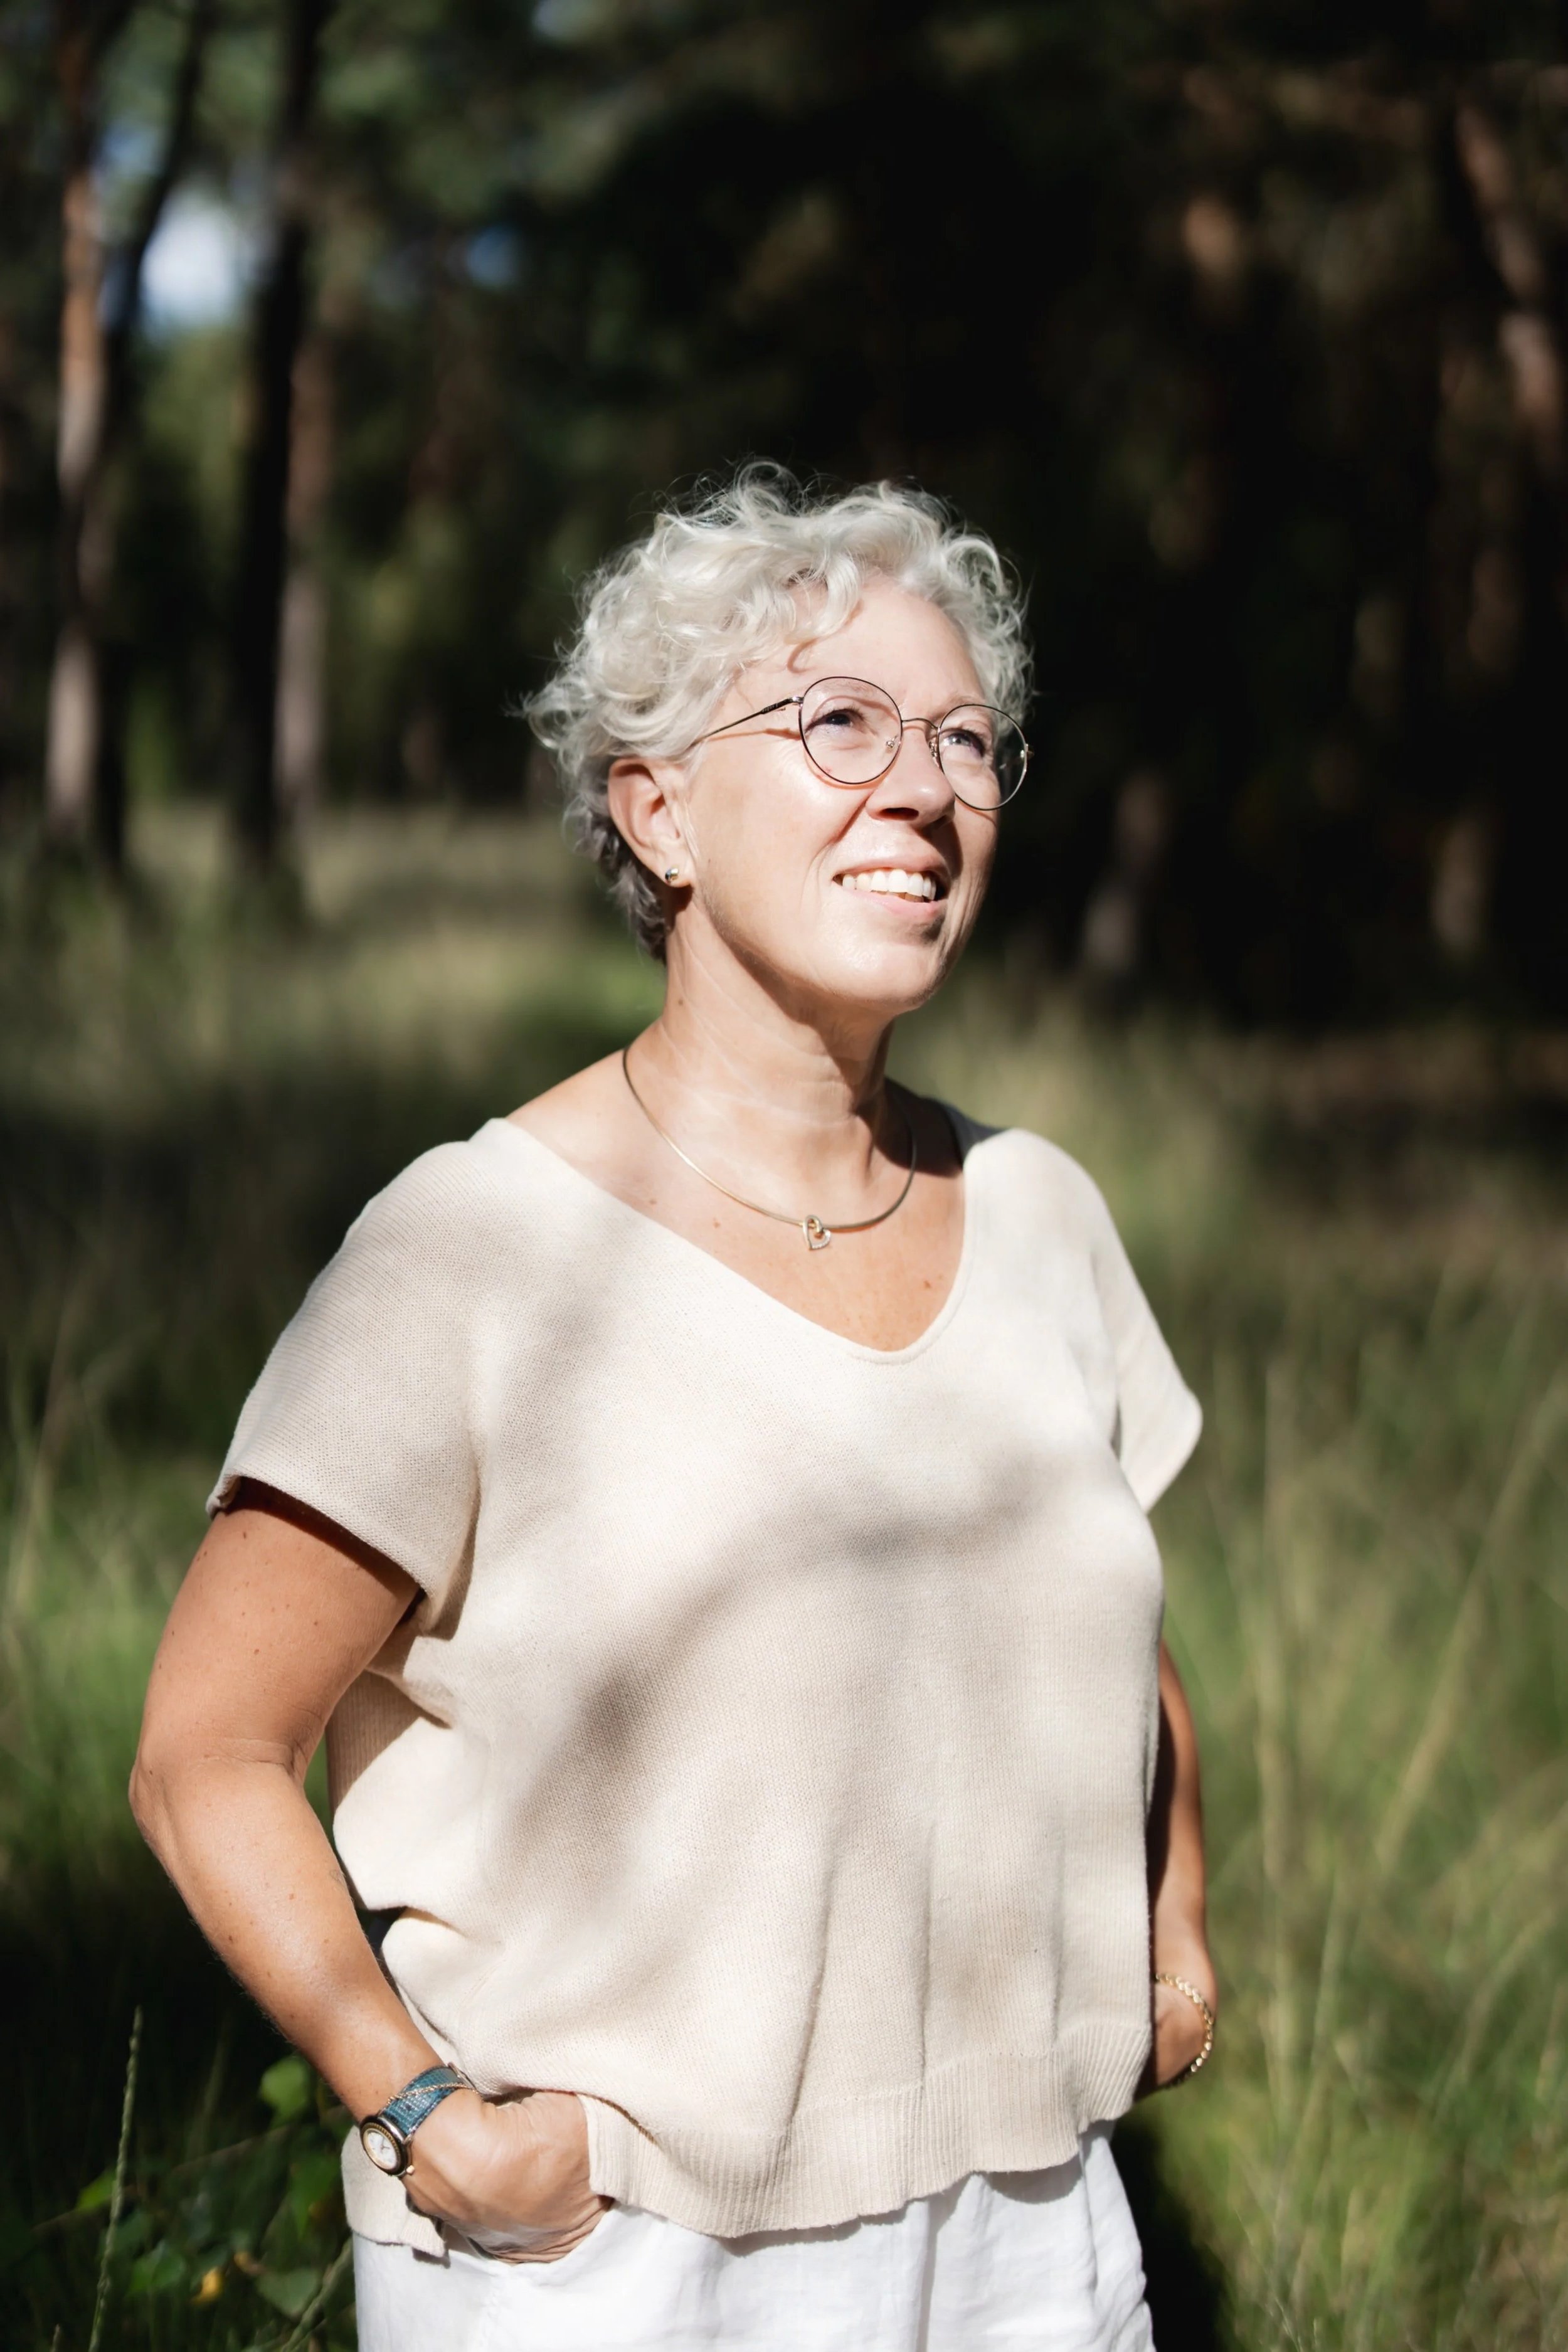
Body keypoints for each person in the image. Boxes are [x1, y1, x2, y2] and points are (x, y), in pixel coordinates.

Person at [132, 469, 1216, 2352]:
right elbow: (204, 1756)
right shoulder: (468, 1250)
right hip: (621, 2268)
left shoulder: (1044, 1213)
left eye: (966, 740)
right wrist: (420, 2109)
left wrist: (1171, 1930)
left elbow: (1116, 1618)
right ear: (655, 807)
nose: (926, 790)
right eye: (840, 724)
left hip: (1032, 2236)